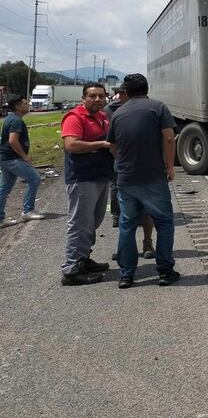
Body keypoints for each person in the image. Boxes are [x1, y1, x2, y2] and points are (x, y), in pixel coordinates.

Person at [107, 73, 179, 289]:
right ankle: (165, 271)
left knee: (127, 226)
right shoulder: (158, 108)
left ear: (126, 92)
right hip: (153, 177)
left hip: (126, 179)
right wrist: (169, 166)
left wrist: (124, 163)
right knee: (164, 222)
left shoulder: (118, 114)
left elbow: (112, 146)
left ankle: (126, 275)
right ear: (147, 89)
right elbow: (168, 137)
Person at [59, 83, 116, 285]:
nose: (98, 100)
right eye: (93, 96)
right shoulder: (75, 117)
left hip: (100, 175)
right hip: (82, 178)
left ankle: (84, 257)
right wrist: (100, 144)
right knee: (80, 223)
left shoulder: (102, 117)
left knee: (94, 221)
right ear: (84, 98)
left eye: (101, 96)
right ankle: (72, 270)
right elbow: (71, 144)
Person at [105, 86, 155, 258]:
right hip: (122, 169)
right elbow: (110, 142)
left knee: (146, 210)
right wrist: (121, 160)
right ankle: (125, 248)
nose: (123, 95)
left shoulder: (149, 108)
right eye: (122, 92)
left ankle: (147, 244)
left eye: (126, 92)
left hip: (144, 168)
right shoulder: (110, 110)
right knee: (125, 214)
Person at [0, 94, 45, 229]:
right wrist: (24, 156)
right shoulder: (16, 121)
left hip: (5, 158)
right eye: (25, 103)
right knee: (35, 178)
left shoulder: (11, 118)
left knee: (5, 188)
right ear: (18, 106)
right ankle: (28, 211)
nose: (28, 105)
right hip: (12, 159)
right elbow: (13, 140)